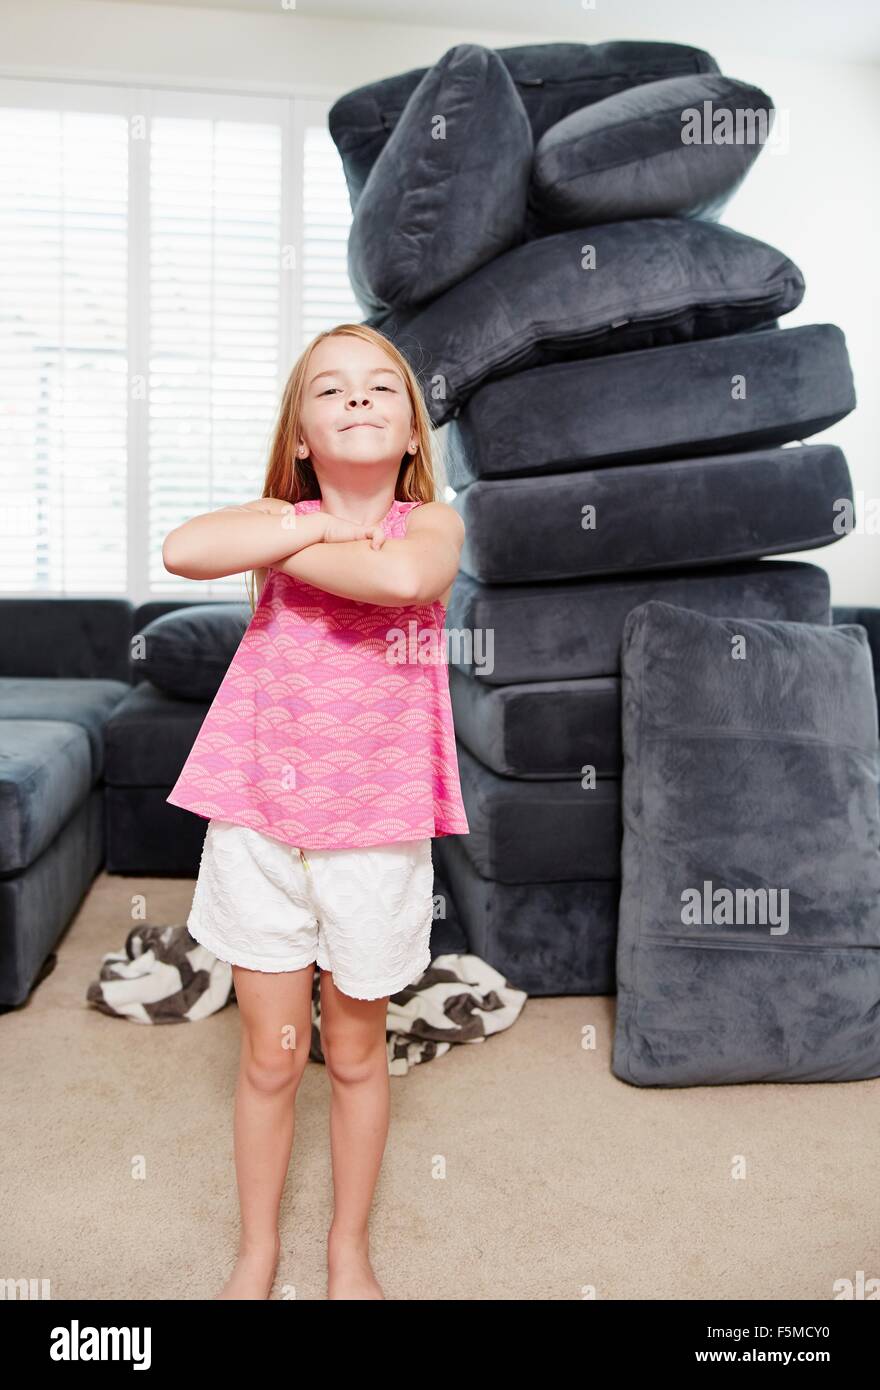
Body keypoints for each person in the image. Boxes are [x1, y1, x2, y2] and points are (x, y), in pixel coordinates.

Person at [162, 322, 469, 1300]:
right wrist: (303, 523)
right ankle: (257, 1251)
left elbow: (400, 580)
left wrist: (307, 537)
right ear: (301, 434)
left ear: (414, 432)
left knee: (355, 1051)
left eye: (381, 386)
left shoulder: (430, 523)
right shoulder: (278, 516)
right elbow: (185, 549)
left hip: (374, 835)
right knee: (268, 1056)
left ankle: (347, 1248)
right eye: (330, 390)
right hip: (260, 823)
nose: (357, 398)